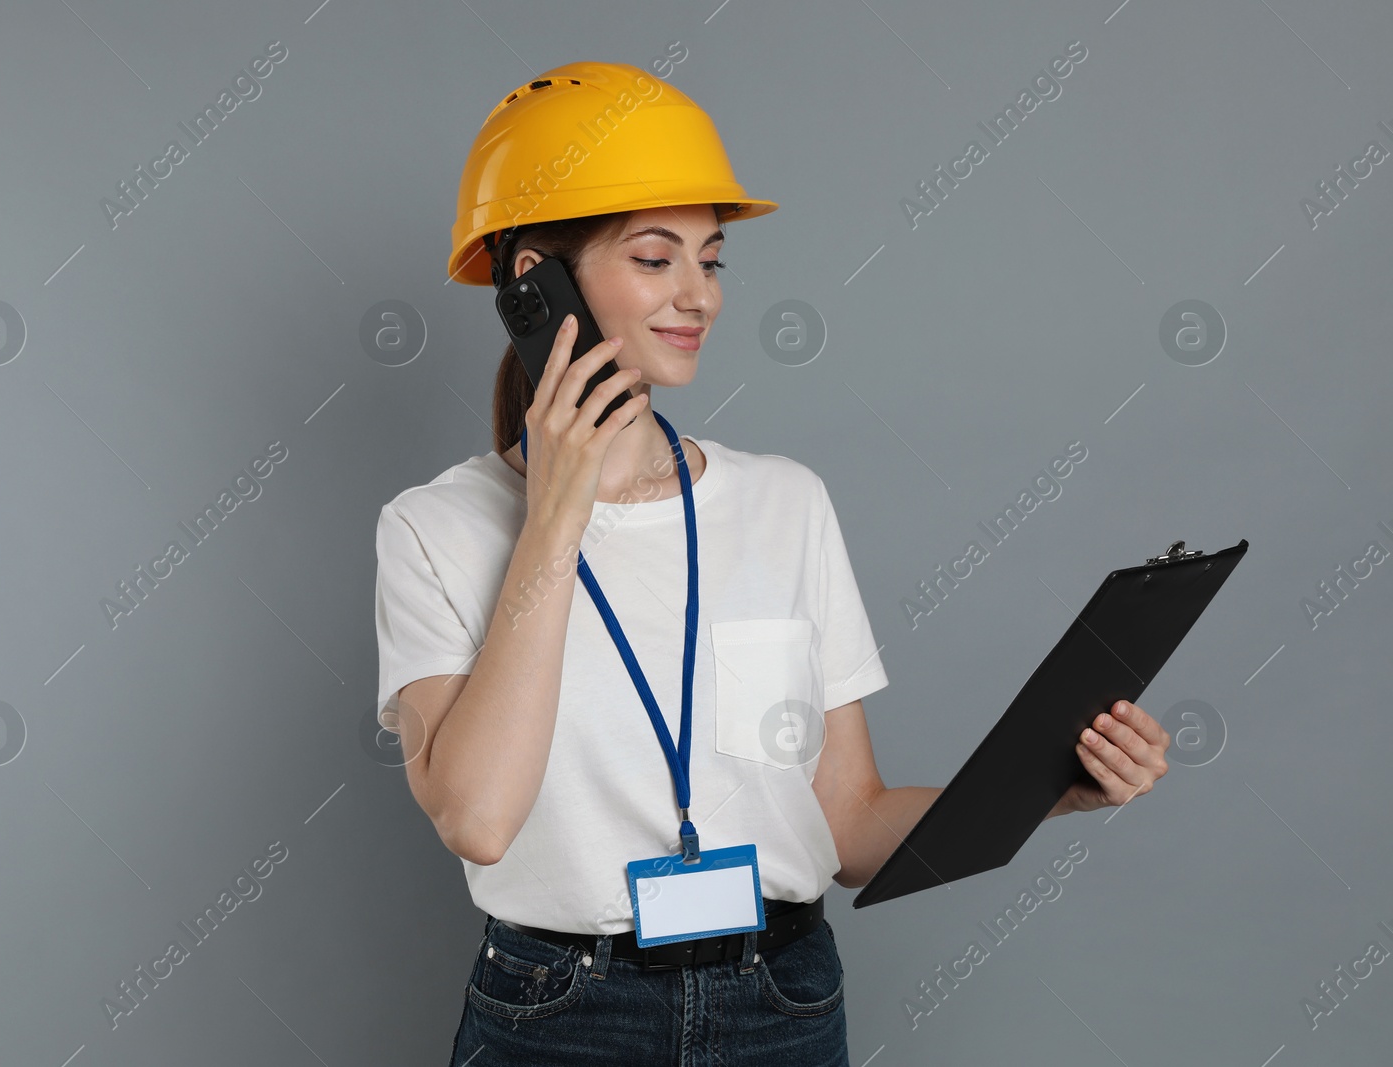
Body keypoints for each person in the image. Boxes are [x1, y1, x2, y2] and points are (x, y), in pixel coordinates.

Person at [374, 60, 1173, 1067]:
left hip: (780, 1006)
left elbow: (846, 826)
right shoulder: (431, 530)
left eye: (711, 261)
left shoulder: (784, 502)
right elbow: (479, 816)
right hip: (560, 1015)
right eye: (655, 258)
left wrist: (1055, 786)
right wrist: (555, 516)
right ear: (535, 282)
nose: (697, 295)